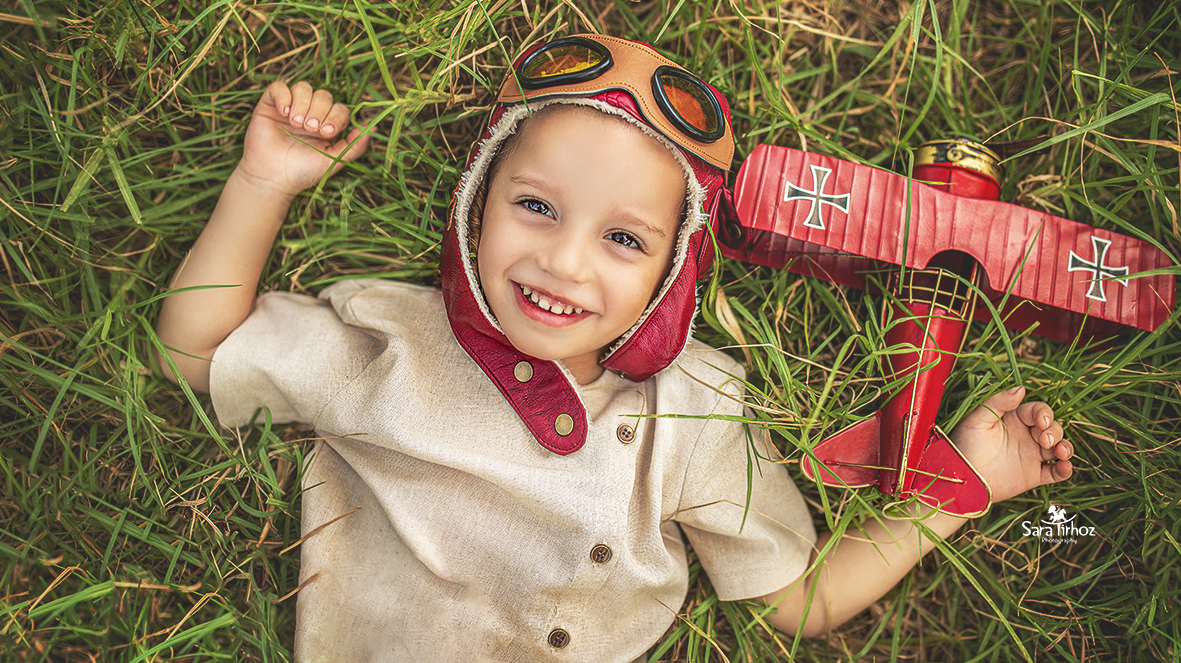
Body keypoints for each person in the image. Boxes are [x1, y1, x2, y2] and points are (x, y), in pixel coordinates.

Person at [155, 34, 1074, 661]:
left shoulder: (693, 413)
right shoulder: (388, 340)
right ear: (476, 201)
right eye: (535, 207)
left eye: (623, 239)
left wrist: (965, 488)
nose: (562, 260)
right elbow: (196, 353)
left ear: (675, 271)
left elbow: (799, 601)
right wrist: (262, 182)